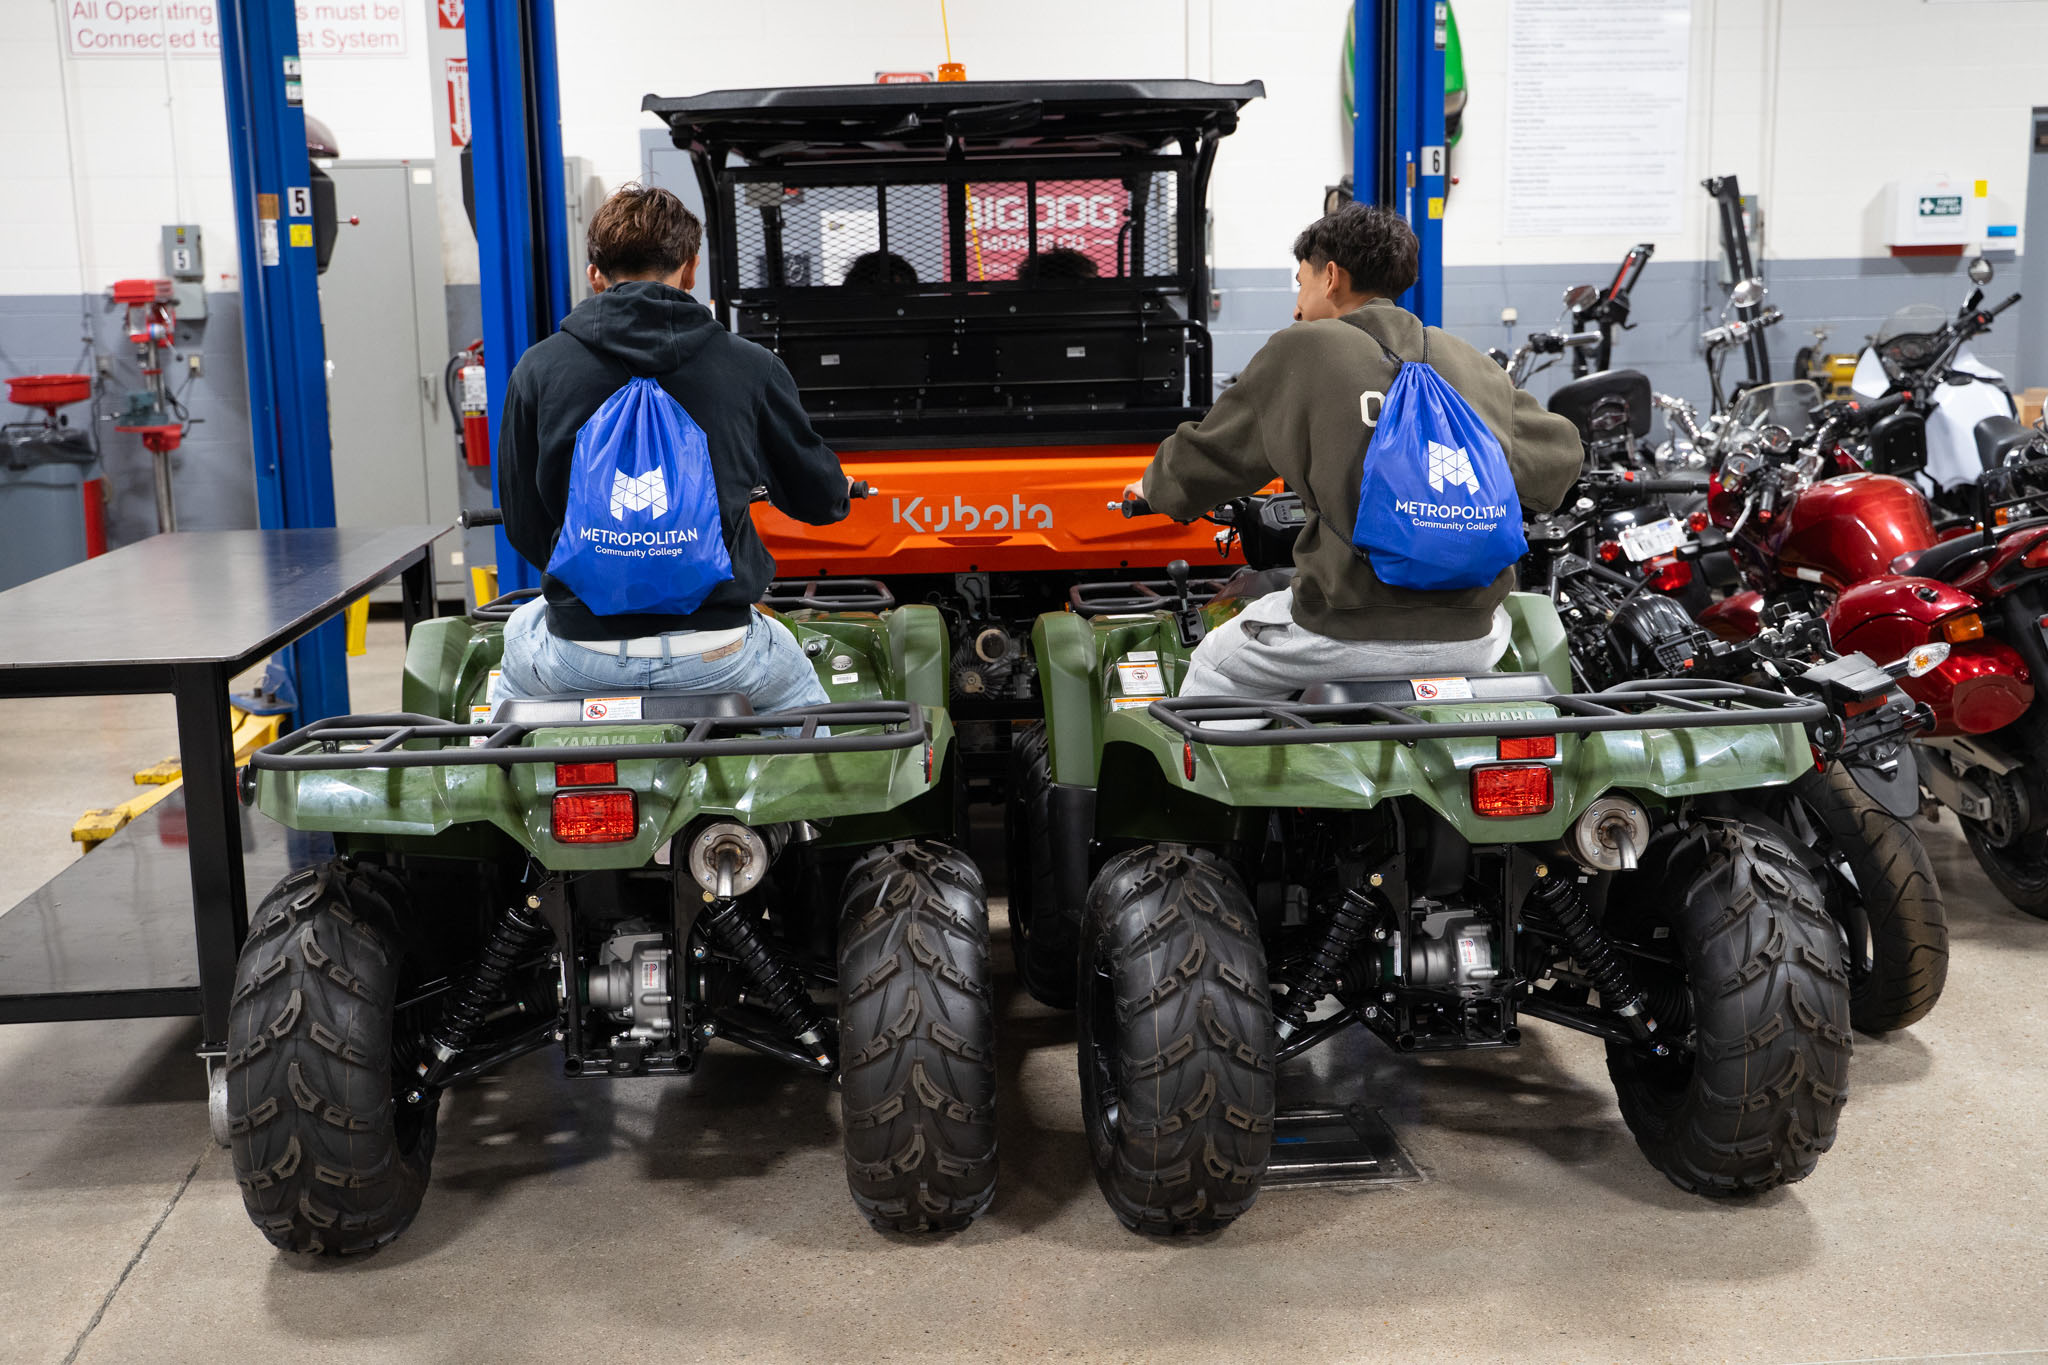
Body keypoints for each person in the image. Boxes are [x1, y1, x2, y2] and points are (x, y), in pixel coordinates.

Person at [1124, 203, 1582, 705]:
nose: (1297, 308)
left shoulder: (1303, 349)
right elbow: (1558, 461)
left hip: (1341, 629)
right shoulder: (1471, 364)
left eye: (1301, 284)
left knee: (1214, 661)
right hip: (1474, 636)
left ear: (1331, 277)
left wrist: (1153, 489)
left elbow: (1211, 455)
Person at [490, 183, 850, 712]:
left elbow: (523, 521)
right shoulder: (751, 366)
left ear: (595, 274)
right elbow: (819, 501)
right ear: (691, 268)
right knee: (807, 715)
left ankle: (492, 756)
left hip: (581, 653)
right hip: (719, 652)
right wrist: (835, 491)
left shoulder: (538, 368)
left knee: (514, 656)